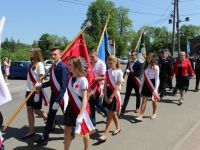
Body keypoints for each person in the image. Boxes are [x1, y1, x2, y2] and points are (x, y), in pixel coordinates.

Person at [35, 47, 68, 145]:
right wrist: (41, 85)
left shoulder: (63, 67)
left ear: (60, 54)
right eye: (52, 54)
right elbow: (51, 82)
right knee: (50, 117)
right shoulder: (53, 67)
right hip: (54, 95)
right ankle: (45, 137)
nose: (53, 56)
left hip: (62, 97)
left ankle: (69, 135)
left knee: (67, 118)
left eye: (55, 54)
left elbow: (63, 86)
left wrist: (58, 100)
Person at [64, 56, 95, 150]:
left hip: (82, 107)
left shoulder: (83, 80)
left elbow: (85, 98)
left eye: (70, 65)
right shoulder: (70, 78)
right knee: (67, 130)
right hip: (71, 107)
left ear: (76, 66)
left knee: (84, 131)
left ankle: (86, 148)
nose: (68, 66)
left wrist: (81, 115)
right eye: (68, 64)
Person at [22, 47, 48, 139]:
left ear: (36, 53)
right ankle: (31, 131)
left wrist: (37, 93)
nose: (30, 53)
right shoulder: (31, 64)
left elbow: (41, 79)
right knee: (29, 110)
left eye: (32, 52)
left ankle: (50, 120)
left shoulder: (40, 64)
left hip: (35, 91)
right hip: (28, 91)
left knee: (36, 111)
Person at [98, 55, 123, 142]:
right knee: (113, 114)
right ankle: (118, 127)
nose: (110, 64)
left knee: (109, 115)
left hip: (114, 94)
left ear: (115, 62)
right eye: (108, 62)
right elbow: (105, 84)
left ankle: (105, 134)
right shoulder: (107, 71)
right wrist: (105, 95)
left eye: (111, 62)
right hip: (107, 92)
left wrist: (111, 97)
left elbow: (117, 86)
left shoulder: (119, 72)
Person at [136, 53, 160, 121]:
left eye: (150, 58)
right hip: (146, 84)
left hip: (153, 84)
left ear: (153, 58)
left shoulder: (156, 67)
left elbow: (157, 78)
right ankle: (141, 115)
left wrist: (156, 89)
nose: (148, 59)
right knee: (144, 100)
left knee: (154, 100)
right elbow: (143, 78)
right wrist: (141, 86)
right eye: (147, 58)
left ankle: (154, 113)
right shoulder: (145, 66)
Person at [89, 50, 107, 126]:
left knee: (99, 104)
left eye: (92, 56)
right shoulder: (90, 63)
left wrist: (95, 79)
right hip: (91, 87)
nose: (91, 58)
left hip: (98, 87)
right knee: (91, 105)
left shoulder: (101, 64)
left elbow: (104, 77)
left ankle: (109, 114)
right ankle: (93, 123)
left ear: (97, 55)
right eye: (90, 56)